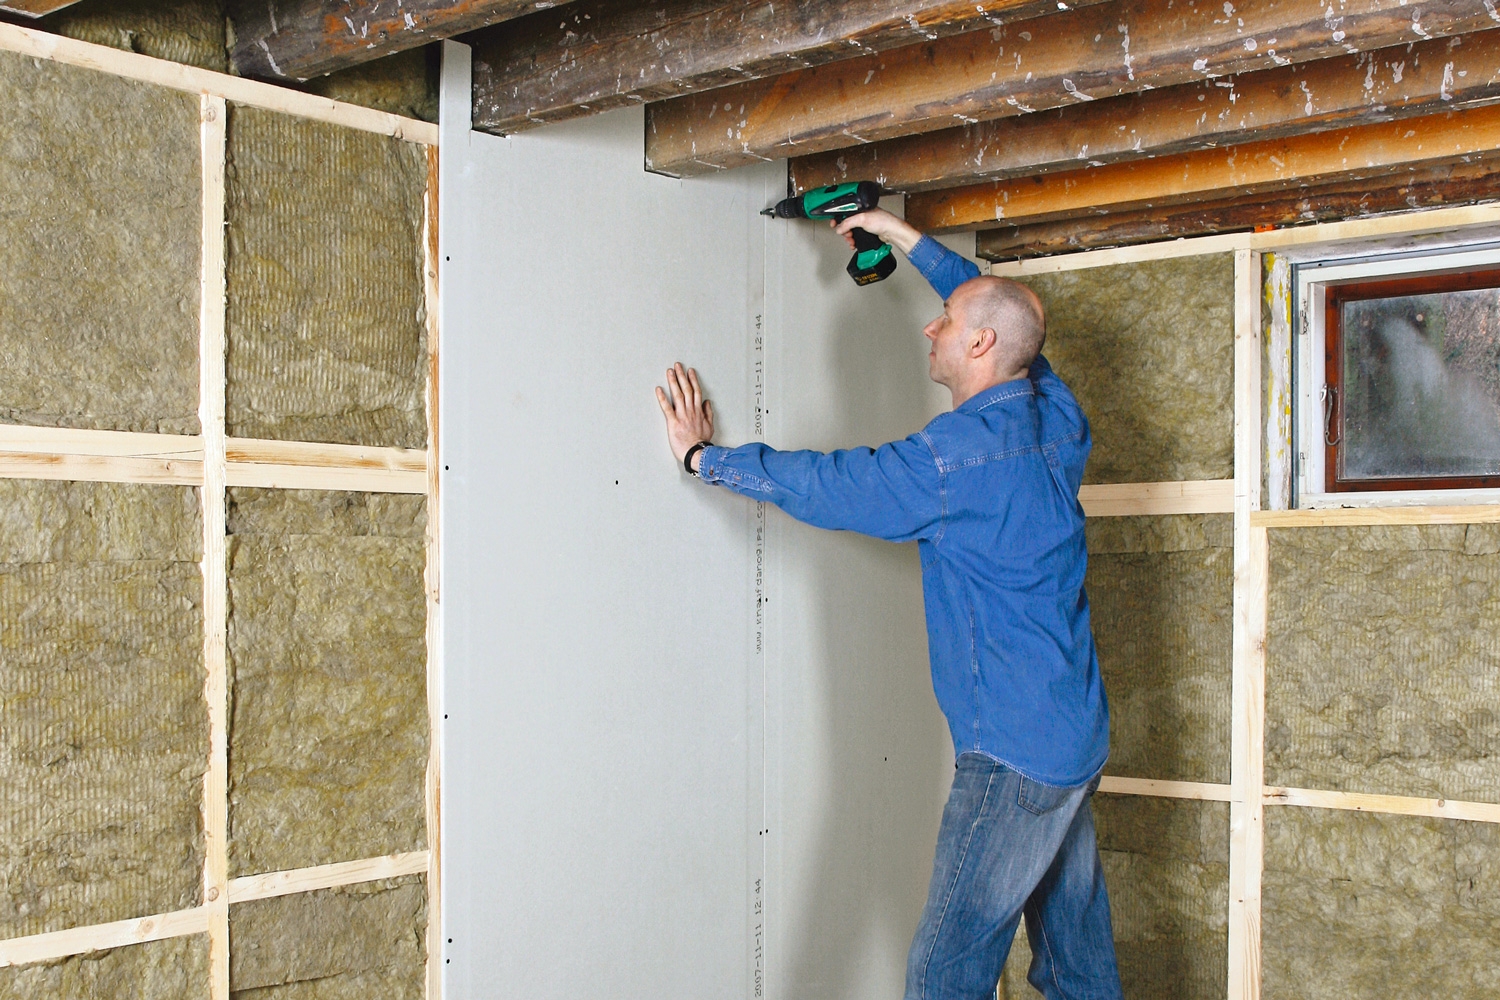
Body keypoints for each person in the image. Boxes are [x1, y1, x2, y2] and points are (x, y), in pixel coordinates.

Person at [654, 208, 1123, 1000]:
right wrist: (903, 239)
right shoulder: (1056, 420)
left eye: (944, 321)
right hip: (1076, 738)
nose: (929, 329)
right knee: (1077, 967)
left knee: (944, 975)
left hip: (1012, 760)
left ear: (978, 347)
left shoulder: (951, 463)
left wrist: (706, 457)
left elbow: (830, 483)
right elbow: (1007, 319)